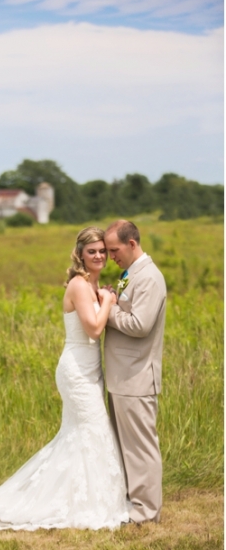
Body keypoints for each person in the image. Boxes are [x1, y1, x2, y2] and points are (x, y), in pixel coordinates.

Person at [0, 227, 131, 531]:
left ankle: (86, 498)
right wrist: (108, 300)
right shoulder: (80, 285)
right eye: (92, 251)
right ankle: (81, 503)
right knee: (92, 430)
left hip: (91, 370)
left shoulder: (93, 285)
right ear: (80, 254)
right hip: (76, 371)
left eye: (101, 251)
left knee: (82, 436)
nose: (99, 256)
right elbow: (94, 329)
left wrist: (106, 295)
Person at [103, 220, 165, 524]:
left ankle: (146, 511)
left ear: (131, 244)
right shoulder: (130, 274)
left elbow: (140, 325)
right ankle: (132, 502)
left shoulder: (150, 278)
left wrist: (109, 307)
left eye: (113, 249)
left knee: (140, 447)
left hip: (137, 375)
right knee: (126, 445)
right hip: (123, 375)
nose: (109, 255)